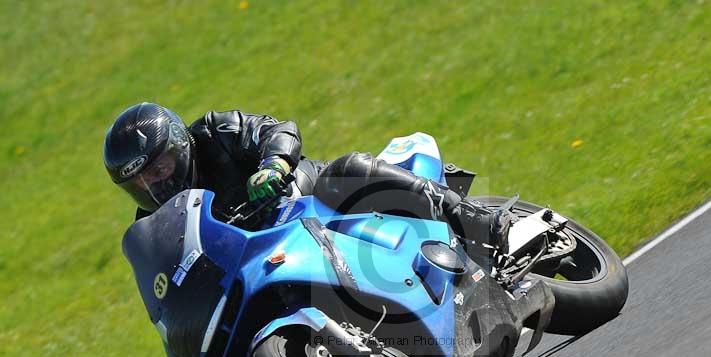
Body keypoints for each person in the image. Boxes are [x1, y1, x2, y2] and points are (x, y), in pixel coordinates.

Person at [103, 102, 509, 255]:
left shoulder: (214, 132)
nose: (154, 185)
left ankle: (478, 220)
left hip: (305, 199)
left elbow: (275, 130)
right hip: (268, 254)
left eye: (158, 169)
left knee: (344, 171)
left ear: (178, 146)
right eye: (139, 184)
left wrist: (274, 165)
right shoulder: (155, 226)